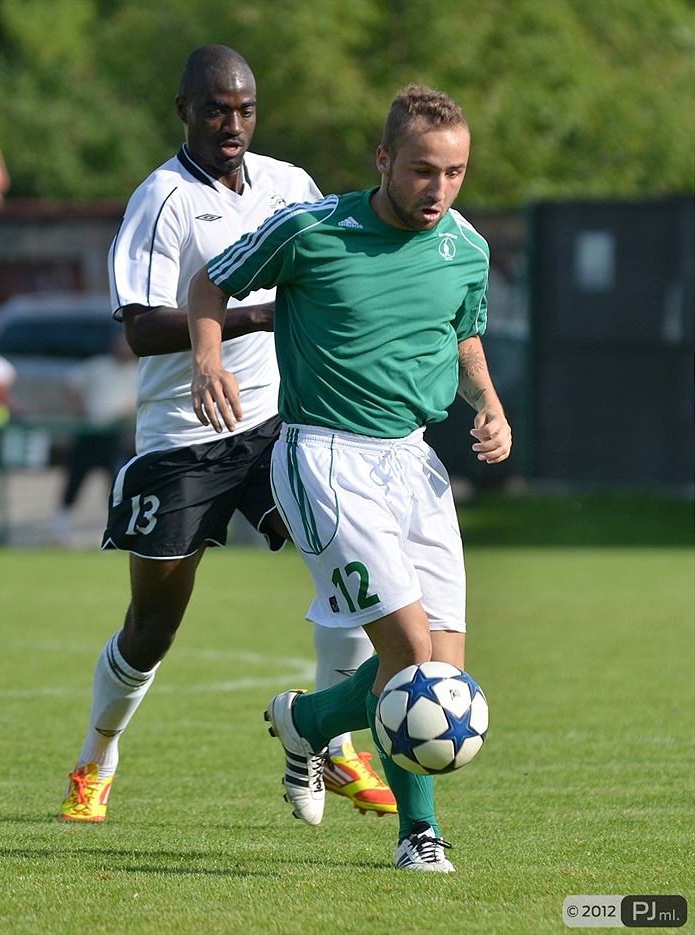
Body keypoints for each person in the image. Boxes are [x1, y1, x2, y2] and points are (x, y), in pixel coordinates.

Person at [59, 45, 395, 822]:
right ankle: (96, 755)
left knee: (354, 569)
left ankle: (332, 743)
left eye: (244, 109)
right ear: (184, 110)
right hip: (182, 437)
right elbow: (140, 328)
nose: (232, 124)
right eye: (216, 109)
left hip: (281, 425)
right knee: (152, 627)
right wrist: (255, 316)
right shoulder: (163, 198)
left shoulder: (288, 185)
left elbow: (329, 266)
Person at [187, 84, 512, 871]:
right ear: (383, 160)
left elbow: (464, 338)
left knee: (446, 669)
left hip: (415, 459)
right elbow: (209, 284)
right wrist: (206, 356)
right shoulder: (312, 229)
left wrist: (490, 404)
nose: (439, 189)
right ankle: (418, 834)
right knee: (409, 653)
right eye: (422, 171)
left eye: (456, 172)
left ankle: (308, 721)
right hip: (325, 455)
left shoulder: (465, 247)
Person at [50, 333, 137, 547]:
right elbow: (71, 382)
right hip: (89, 433)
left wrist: (128, 410)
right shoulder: (99, 365)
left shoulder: (140, 370)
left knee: (117, 484)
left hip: (118, 437)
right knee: (75, 479)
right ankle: (59, 529)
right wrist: (79, 406)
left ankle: (118, 529)